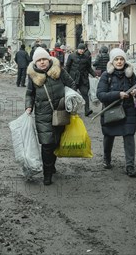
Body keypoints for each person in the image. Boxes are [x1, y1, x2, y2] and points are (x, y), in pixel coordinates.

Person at [25, 47, 77, 186]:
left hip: (61, 112)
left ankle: (51, 165)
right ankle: (47, 174)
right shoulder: (32, 76)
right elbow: (29, 93)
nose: (42, 62)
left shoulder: (59, 71)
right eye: (39, 60)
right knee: (47, 144)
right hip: (43, 114)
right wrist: (28, 106)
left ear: (49, 60)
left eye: (44, 59)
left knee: (56, 142)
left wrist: (69, 99)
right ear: (35, 63)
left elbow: (71, 84)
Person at [96, 48, 136, 177]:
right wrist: (118, 94)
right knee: (109, 136)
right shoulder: (106, 76)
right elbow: (101, 95)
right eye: (116, 59)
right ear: (112, 61)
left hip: (128, 110)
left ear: (125, 60)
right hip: (111, 111)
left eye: (121, 59)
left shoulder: (130, 75)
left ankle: (130, 166)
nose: (119, 62)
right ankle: (107, 159)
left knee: (129, 137)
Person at [64, 43, 97, 116]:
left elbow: (89, 68)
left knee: (85, 94)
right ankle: (71, 110)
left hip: (83, 79)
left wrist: (95, 75)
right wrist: (66, 77)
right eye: (80, 49)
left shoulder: (86, 57)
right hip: (73, 79)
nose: (82, 51)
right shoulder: (71, 56)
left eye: (83, 49)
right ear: (77, 49)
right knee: (72, 95)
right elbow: (67, 67)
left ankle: (87, 110)